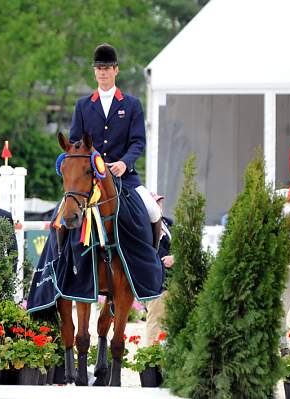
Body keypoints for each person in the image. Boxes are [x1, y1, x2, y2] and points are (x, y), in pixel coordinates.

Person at [69, 43, 163, 250]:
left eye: (107, 68)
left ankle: (154, 257)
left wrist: (124, 163)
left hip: (124, 176)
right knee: (62, 213)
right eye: (99, 69)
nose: (102, 73)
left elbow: (138, 141)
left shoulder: (131, 104)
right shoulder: (83, 106)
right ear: (95, 71)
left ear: (115, 70)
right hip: (90, 179)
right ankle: (58, 260)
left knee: (153, 211)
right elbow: (75, 143)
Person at [145, 193, 174, 345]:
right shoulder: (145, 226)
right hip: (157, 282)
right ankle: (150, 359)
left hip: (172, 280)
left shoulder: (168, 223)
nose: (159, 205)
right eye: (156, 202)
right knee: (155, 322)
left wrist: (175, 257)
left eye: (160, 202)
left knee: (168, 324)